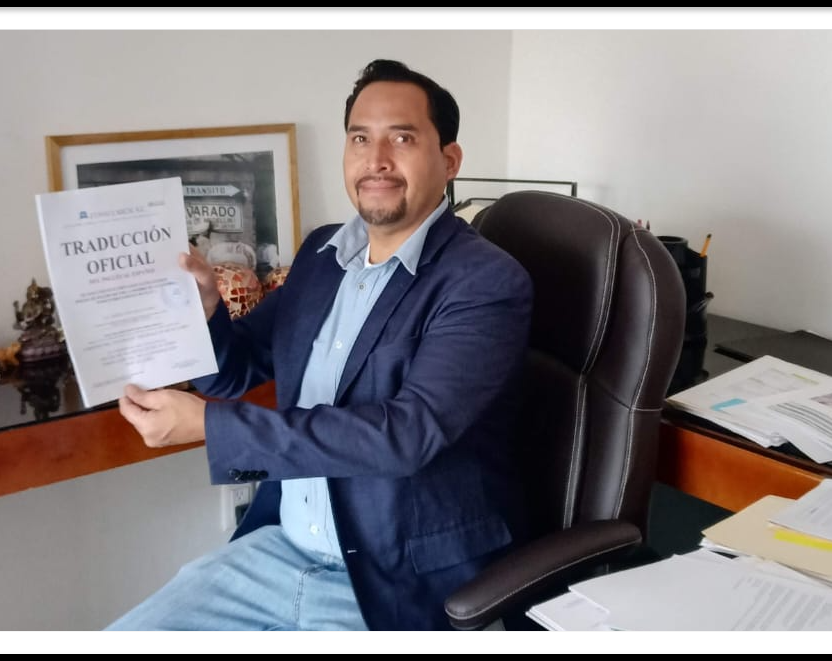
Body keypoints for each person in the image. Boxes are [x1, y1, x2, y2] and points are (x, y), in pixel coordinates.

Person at [106, 59, 534, 631]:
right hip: (277, 554)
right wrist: (207, 312)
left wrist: (210, 427)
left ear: (449, 160)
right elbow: (238, 371)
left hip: (394, 580)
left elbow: (405, 436)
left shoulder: (484, 283)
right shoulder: (322, 255)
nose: (376, 158)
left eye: (402, 138)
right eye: (361, 137)